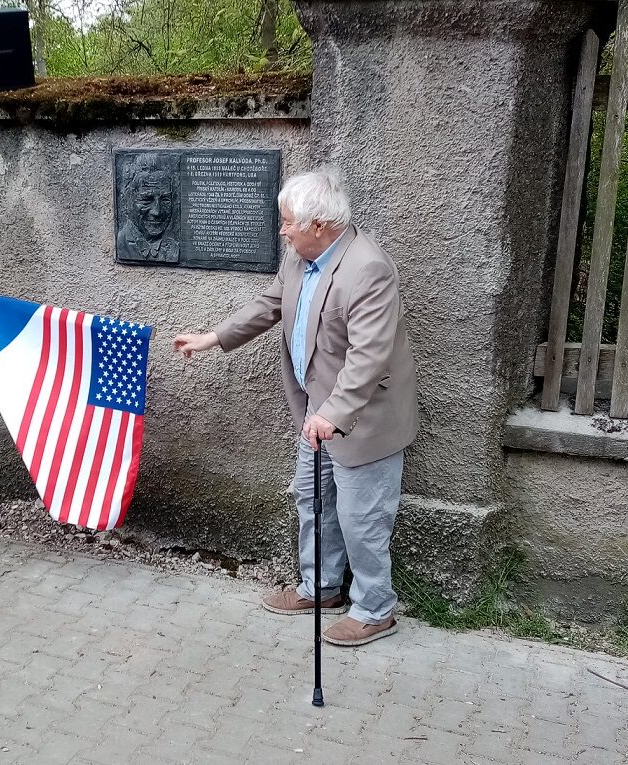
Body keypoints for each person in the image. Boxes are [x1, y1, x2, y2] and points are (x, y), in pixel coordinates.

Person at [172, 167, 418, 646]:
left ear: (319, 226)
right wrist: (213, 338)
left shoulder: (368, 268)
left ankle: (374, 609)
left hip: (362, 417)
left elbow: (370, 356)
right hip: (316, 411)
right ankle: (320, 587)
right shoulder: (299, 259)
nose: (281, 230)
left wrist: (333, 413)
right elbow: (269, 305)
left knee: (361, 516)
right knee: (313, 499)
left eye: (288, 223)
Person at [116, 155, 180, 263]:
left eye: (165, 200)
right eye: (146, 200)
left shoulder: (175, 247)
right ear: (125, 202)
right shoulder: (122, 243)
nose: (157, 212)